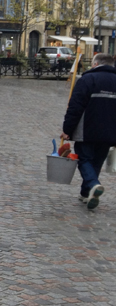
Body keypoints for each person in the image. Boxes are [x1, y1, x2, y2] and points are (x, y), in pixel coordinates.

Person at [61, 52, 116, 210]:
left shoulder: (88, 79)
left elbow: (75, 106)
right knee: (97, 161)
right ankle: (87, 193)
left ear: (96, 64)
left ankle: (93, 184)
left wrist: (67, 129)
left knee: (84, 159)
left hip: (87, 130)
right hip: (110, 131)